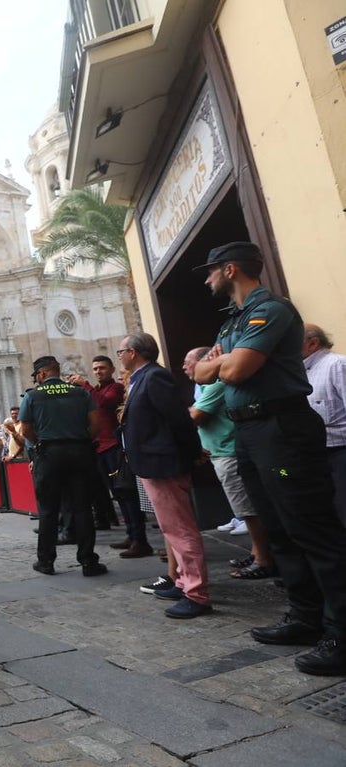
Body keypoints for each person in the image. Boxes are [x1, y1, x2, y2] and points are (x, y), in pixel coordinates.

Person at [192, 241, 346, 674]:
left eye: (211, 271)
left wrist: (220, 364)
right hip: (250, 431)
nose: (207, 279)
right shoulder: (233, 322)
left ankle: (340, 633)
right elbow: (199, 373)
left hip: (282, 430)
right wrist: (217, 364)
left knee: (312, 529)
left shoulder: (271, 310)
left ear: (231, 269)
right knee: (278, 529)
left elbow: (233, 371)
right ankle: (304, 617)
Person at [116, 334, 210, 619]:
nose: (119, 355)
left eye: (121, 351)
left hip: (164, 462)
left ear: (133, 353)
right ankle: (183, 582)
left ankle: (197, 593)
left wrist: (192, 452)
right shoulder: (142, 378)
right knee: (172, 529)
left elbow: (178, 420)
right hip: (152, 463)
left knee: (181, 530)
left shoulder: (154, 377)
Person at [183, 347, 274, 579]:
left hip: (228, 452)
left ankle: (263, 558)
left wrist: (189, 411)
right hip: (221, 451)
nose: (184, 367)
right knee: (244, 508)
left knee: (248, 510)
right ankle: (257, 553)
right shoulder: (205, 385)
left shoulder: (215, 384)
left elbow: (195, 415)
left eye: (189, 362)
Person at [18, 356, 106, 579]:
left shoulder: (33, 396)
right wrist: (79, 439)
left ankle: (46, 561)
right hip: (80, 452)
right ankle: (88, 561)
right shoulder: (80, 392)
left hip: (49, 455)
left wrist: (41, 441)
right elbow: (96, 425)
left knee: (48, 510)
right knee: (82, 508)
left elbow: (25, 429)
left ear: (42, 374)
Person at [71, 357, 146, 547]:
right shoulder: (95, 390)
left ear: (111, 369)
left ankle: (139, 538)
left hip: (114, 448)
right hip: (100, 448)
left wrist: (85, 385)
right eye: (95, 368)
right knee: (118, 493)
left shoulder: (115, 389)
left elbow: (104, 403)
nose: (98, 371)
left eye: (102, 368)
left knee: (126, 492)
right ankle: (131, 534)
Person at [301, 324, 346, 526]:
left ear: (312, 343)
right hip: (317, 454)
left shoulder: (337, 365)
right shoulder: (299, 371)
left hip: (340, 453)